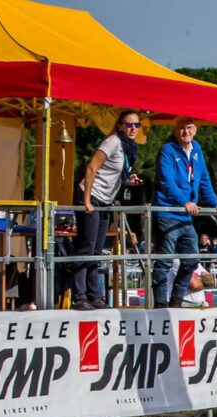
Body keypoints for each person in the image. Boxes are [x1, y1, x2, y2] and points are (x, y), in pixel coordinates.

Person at [68, 110, 143, 311]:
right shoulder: (113, 142)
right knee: (87, 246)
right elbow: (91, 167)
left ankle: (94, 296)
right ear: (120, 125)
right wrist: (86, 201)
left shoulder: (128, 147)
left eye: (137, 125)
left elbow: (113, 173)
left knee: (97, 249)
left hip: (106, 200)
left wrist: (128, 181)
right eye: (129, 124)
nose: (133, 129)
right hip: (92, 196)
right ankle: (79, 296)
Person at [152, 116, 217, 308]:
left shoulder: (196, 149)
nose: (186, 132)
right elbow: (166, 181)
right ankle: (160, 304)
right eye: (182, 128)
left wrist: (215, 203)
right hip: (168, 213)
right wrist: (184, 201)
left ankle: (176, 300)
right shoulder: (167, 151)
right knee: (164, 261)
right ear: (174, 130)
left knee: (192, 259)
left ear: (195, 129)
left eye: (190, 128)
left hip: (185, 217)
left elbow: (203, 179)